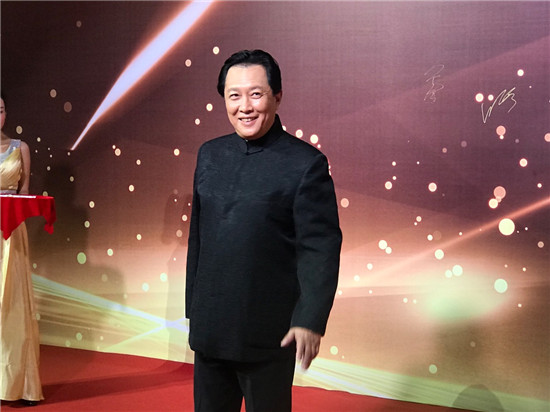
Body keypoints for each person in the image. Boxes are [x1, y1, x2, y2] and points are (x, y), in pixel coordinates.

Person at [185, 50, 342, 412]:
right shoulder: (209, 154)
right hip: (211, 330)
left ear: (277, 96)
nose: (245, 107)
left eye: (256, 94)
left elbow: (320, 247)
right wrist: (195, 309)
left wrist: (310, 318)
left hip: (269, 334)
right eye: (234, 95)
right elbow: (199, 239)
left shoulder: (306, 164)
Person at [0, 95, 44, 406]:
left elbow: (25, 194)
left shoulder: (21, 148)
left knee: (14, 305)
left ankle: (19, 385)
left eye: (1, 110)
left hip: (11, 234)